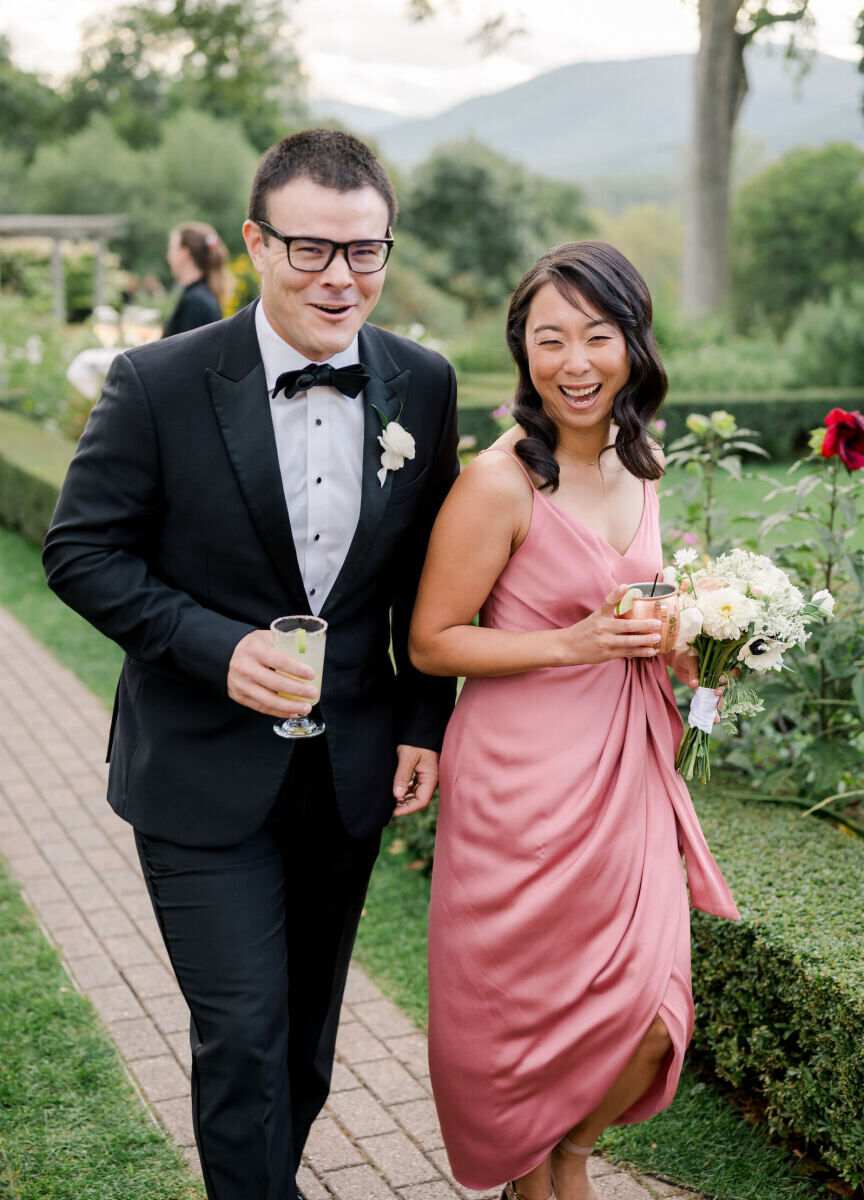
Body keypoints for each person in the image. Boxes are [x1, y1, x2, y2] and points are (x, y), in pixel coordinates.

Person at [43, 128, 459, 1200]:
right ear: (255, 243)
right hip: (197, 770)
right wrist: (217, 648)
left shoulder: (425, 383)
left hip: (348, 774)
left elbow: (428, 584)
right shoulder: (158, 381)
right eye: (311, 249)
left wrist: (421, 724)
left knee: (303, 1051)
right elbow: (80, 551)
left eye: (364, 252)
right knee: (240, 1037)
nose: (339, 278)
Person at [409, 242, 739, 1200]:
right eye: (549, 339)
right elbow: (433, 641)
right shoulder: (499, 482)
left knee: (650, 1017)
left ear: (634, 344)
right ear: (524, 356)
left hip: (628, 770)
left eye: (598, 335)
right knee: (524, 1011)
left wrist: (704, 641)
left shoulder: (647, 463)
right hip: (522, 784)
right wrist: (574, 645)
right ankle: (537, 1170)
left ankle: (563, 1159)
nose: (575, 362)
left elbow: (637, 609)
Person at [162, 220, 233, 337]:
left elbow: (185, 353)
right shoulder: (201, 295)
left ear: (185, 253)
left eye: (171, 249)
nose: (168, 256)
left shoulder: (195, 302)